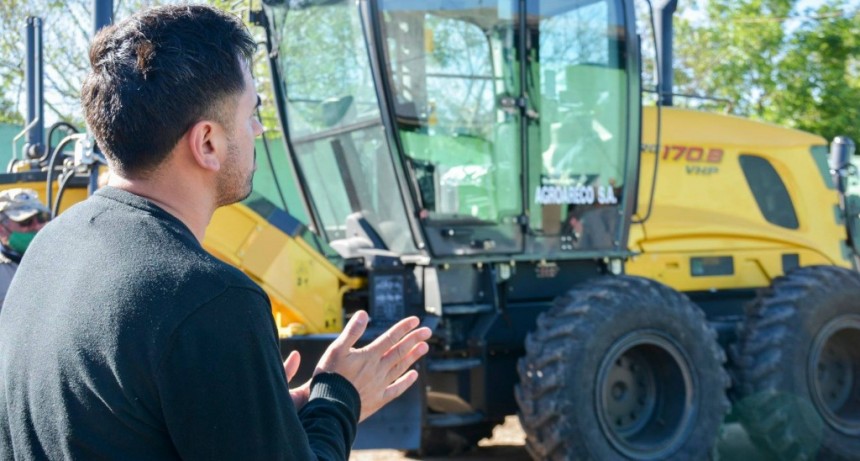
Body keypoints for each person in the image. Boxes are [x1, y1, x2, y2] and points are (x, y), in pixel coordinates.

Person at [0, 5, 431, 460]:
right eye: (251, 113)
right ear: (207, 142)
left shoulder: (52, 246)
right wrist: (338, 398)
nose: (257, 129)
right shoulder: (210, 298)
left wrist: (259, 416)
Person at [0, 188, 50, 309]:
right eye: (26, 222)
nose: (36, 226)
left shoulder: (61, 258)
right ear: (2, 229)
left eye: (41, 218)